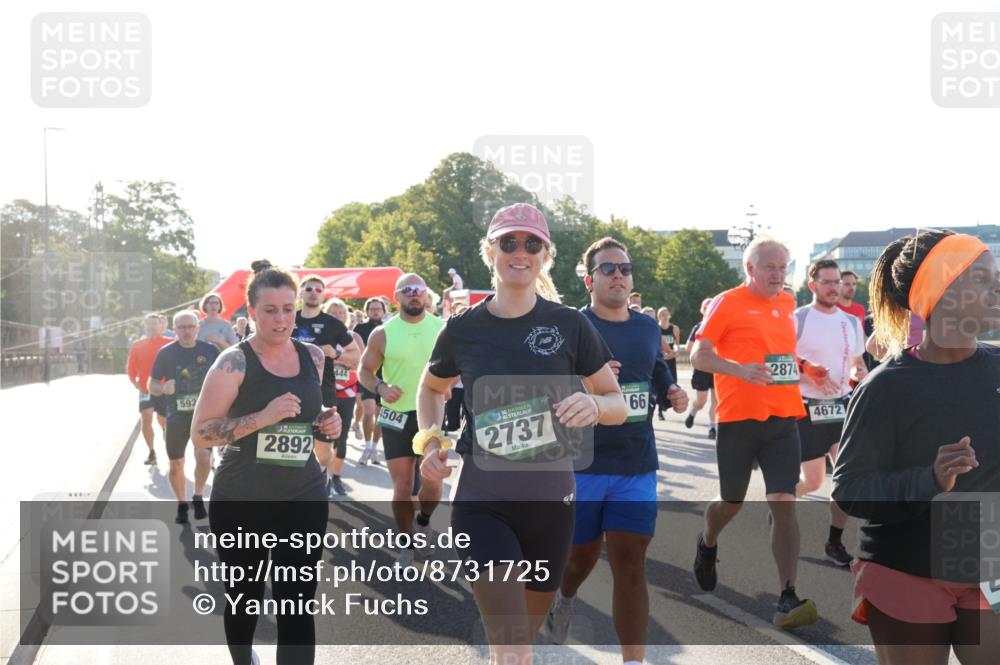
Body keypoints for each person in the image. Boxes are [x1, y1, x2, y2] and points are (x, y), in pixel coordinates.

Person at [417, 203, 626, 665]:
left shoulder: (570, 324)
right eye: (508, 242)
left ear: (544, 256)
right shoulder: (462, 329)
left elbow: (617, 404)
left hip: (551, 510)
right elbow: (431, 388)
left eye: (532, 244)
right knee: (514, 651)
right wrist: (430, 441)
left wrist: (593, 404)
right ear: (490, 250)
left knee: (516, 649)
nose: (520, 251)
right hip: (482, 505)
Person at [833, 230, 1000, 664]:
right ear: (942, 294)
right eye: (982, 279)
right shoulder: (885, 387)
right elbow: (850, 487)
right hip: (907, 562)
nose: (998, 287)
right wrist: (929, 479)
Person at [543, 237, 688, 664]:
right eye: (608, 269)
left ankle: (633, 659)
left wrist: (672, 388)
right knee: (579, 557)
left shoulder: (645, 326)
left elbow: (656, 367)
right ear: (589, 280)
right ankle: (564, 598)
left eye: (625, 268)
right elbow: (546, 387)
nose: (619, 275)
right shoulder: (570, 326)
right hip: (581, 464)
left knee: (630, 564)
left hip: (635, 463)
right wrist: (585, 382)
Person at [191, 263, 341, 665]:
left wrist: (327, 421)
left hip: (303, 496)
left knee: (297, 603)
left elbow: (310, 414)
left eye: (288, 309)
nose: (281, 319)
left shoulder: (312, 356)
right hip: (242, 499)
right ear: (251, 312)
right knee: (245, 599)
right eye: (270, 310)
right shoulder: (233, 362)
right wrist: (263, 417)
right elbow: (202, 434)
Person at [690, 237, 824, 629]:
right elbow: (699, 354)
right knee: (730, 503)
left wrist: (805, 366)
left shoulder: (786, 304)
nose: (779, 275)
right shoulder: (727, 302)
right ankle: (708, 542)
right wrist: (739, 370)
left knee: (784, 500)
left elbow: (776, 352)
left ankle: (787, 596)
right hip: (739, 419)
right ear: (750, 269)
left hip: (783, 417)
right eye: (770, 267)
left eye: (784, 267)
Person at [358, 273, 444, 567]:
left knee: (431, 483)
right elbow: (365, 371)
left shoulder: (442, 328)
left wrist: (450, 389)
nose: (414, 295)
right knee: (402, 485)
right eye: (408, 290)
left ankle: (424, 519)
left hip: (430, 415)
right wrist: (381, 387)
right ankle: (406, 542)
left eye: (419, 290)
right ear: (397, 297)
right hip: (395, 415)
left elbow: (460, 367)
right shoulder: (383, 332)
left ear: (426, 295)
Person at [793, 259, 867, 567]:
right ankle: (782, 503)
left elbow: (856, 361)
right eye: (827, 282)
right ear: (812, 286)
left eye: (837, 281)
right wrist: (808, 373)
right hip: (807, 409)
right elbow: (779, 362)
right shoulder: (798, 318)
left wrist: (860, 371)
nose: (834, 287)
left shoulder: (850, 322)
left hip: (841, 405)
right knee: (812, 482)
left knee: (847, 478)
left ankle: (834, 542)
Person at [148, 311, 220, 524]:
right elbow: (151, 385)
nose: (186, 331)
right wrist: (163, 387)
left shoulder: (210, 351)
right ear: (174, 329)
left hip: (204, 415)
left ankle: (197, 495)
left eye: (190, 326)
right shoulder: (166, 353)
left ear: (197, 328)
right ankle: (181, 504)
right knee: (176, 463)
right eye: (181, 327)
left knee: (204, 457)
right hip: (176, 416)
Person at [321, 297, 364, 496]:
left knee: (341, 437)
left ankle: (336, 477)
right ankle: (325, 478)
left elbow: (361, 362)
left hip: (346, 392)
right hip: (323, 391)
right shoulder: (320, 335)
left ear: (346, 316)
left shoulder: (351, 336)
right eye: (332, 313)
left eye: (340, 313)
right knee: (323, 437)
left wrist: (341, 359)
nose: (336, 316)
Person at [126, 313, 171, 465]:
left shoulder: (170, 343)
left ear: (161, 325)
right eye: (148, 324)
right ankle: (151, 452)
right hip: (145, 389)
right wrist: (134, 382)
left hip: (164, 389)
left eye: (155, 324)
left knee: (163, 420)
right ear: (144, 326)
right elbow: (131, 367)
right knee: (146, 419)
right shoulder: (137, 345)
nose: (151, 327)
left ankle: (167, 435)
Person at [354, 297, 387, 464]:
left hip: (385, 377)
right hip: (366, 376)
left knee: (380, 416)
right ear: (366, 311)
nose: (375, 311)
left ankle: (374, 447)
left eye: (378, 309)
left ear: (383, 311)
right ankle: (367, 446)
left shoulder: (388, 328)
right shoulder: (359, 328)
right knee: (368, 412)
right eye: (372, 308)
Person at [684, 298, 718, 439]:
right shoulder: (698, 327)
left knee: (716, 400)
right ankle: (693, 412)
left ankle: (712, 427)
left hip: (716, 367)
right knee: (701, 401)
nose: (709, 310)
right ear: (702, 310)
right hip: (702, 368)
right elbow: (688, 347)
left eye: (711, 307)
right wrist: (703, 350)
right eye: (706, 307)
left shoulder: (719, 326)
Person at [656, 307, 681, 422]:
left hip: (671, 360)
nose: (665, 317)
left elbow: (677, 344)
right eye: (663, 315)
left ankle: (665, 404)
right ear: (659, 316)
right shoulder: (656, 328)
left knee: (672, 382)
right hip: (659, 359)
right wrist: (663, 355)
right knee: (660, 383)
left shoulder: (674, 328)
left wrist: (675, 352)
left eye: (667, 315)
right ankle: (660, 409)